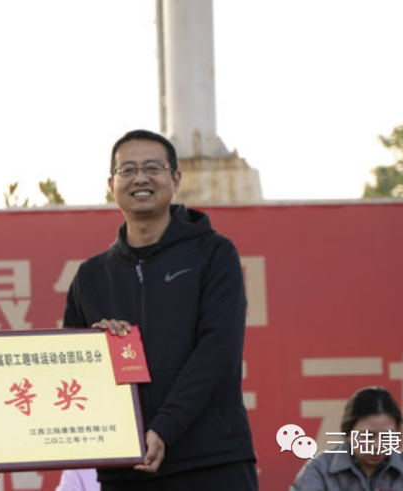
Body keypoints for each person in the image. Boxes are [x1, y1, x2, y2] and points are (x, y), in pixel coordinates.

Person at [63, 129, 258, 490]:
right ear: (111, 184)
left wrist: (165, 427)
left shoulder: (214, 254)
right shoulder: (91, 277)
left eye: (153, 168)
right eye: (128, 170)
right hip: (127, 468)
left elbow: (218, 350)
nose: (140, 178)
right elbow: (69, 371)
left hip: (211, 461)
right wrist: (93, 348)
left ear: (175, 179)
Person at [290, 387, 403, 491]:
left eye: (387, 436)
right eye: (367, 436)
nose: (377, 445)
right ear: (348, 430)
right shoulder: (320, 469)